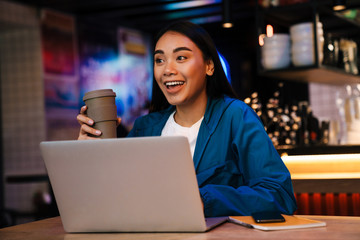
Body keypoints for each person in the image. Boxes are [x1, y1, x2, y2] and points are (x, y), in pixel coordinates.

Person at [77, 21, 297, 217]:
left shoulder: (235, 116)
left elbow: (279, 194)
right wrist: (90, 157)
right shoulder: (145, 127)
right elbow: (114, 196)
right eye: (159, 60)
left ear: (209, 66)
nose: (168, 70)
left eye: (181, 57)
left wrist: (204, 200)